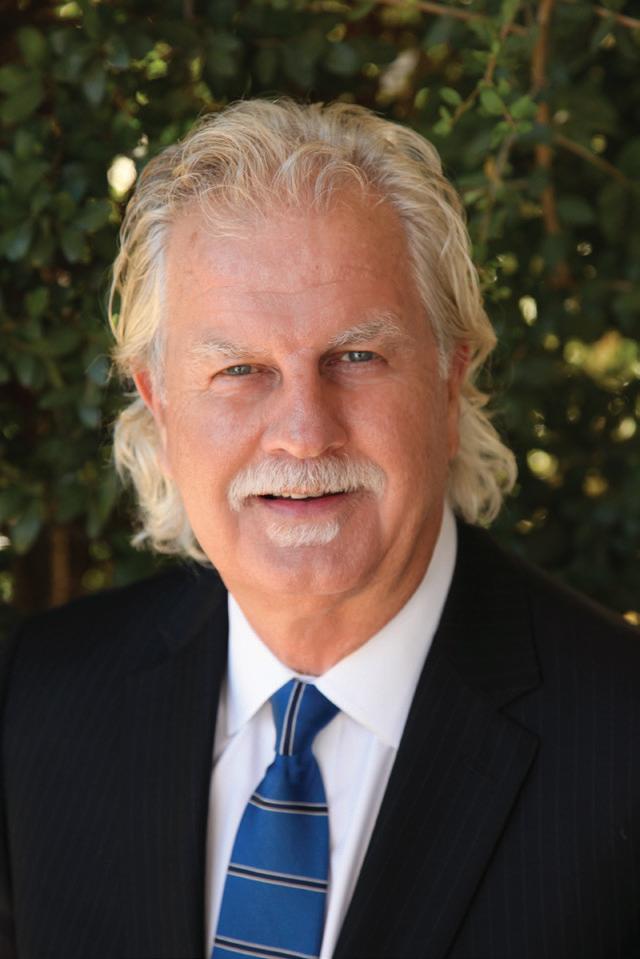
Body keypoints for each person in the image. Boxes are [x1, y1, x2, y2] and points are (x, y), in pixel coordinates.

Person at [1, 99, 638, 959]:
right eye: (240, 369)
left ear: (450, 381)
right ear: (160, 405)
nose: (304, 433)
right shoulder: (39, 701)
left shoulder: (622, 742)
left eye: (356, 357)